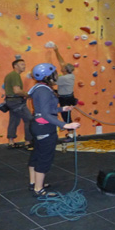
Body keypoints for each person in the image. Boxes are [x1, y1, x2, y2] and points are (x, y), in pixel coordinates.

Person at [27, 63, 80, 197]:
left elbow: (44, 109)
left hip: (38, 126)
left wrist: (62, 109)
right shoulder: (44, 90)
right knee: (44, 158)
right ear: (49, 75)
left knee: (37, 154)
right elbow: (45, 113)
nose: (57, 75)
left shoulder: (40, 88)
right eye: (55, 73)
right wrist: (65, 125)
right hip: (44, 128)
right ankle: (39, 189)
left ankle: (34, 183)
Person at [4, 59, 33, 150]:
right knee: (29, 119)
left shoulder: (10, 75)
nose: (24, 66)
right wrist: (27, 95)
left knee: (14, 120)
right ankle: (28, 142)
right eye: (21, 64)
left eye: (24, 64)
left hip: (11, 101)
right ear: (15, 66)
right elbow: (17, 91)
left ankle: (11, 142)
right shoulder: (15, 75)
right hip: (16, 101)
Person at [51, 44, 77, 136]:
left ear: (65, 70)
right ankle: (70, 130)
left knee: (66, 115)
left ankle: (71, 132)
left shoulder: (64, 78)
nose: (61, 66)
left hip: (65, 99)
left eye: (63, 67)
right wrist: (56, 51)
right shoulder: (70, 75)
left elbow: (52, 83)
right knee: (66, 114)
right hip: (68, 96)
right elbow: (61, 62)